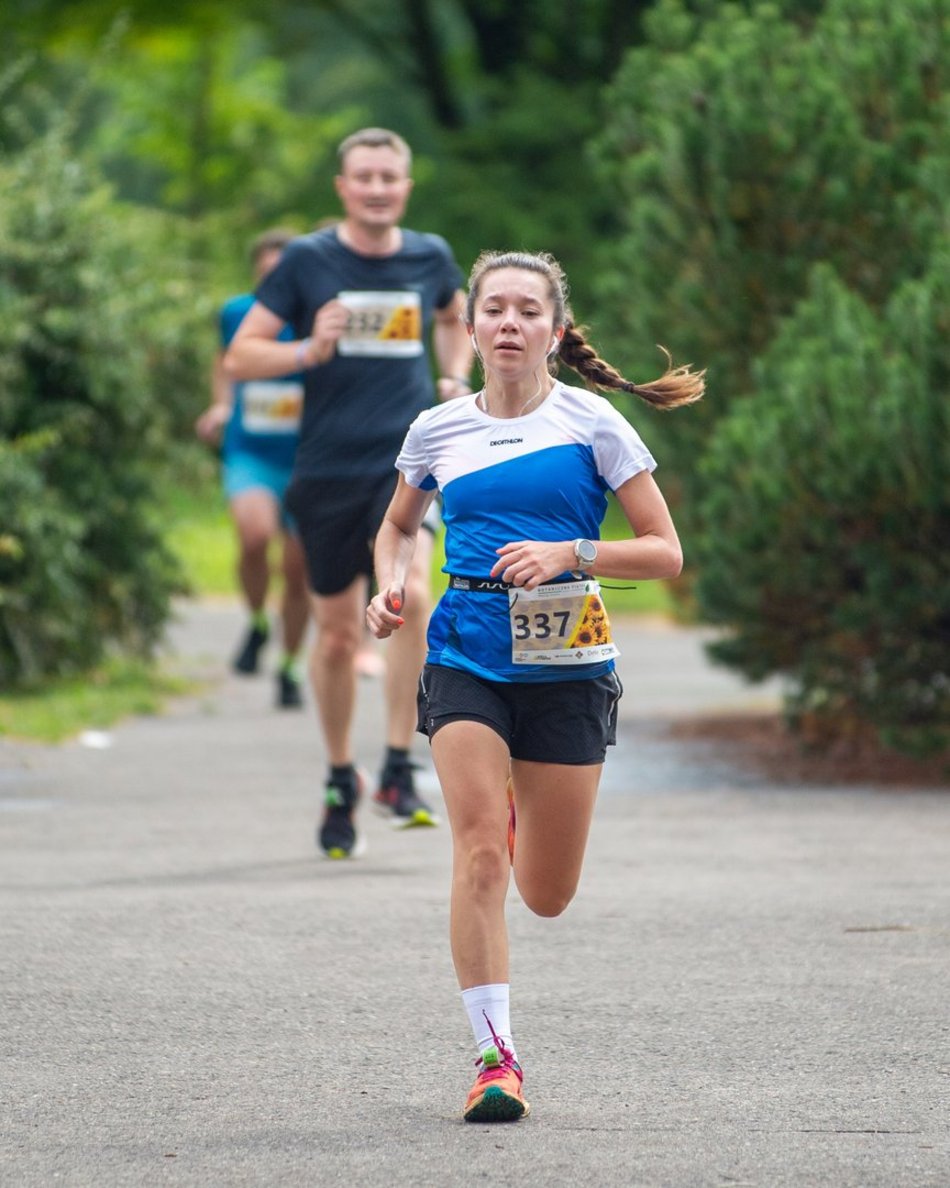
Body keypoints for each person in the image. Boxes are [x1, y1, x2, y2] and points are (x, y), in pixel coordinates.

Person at [366, 249, 704, 1121]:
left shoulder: (593, 423)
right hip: (465, 654)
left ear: (555, 331)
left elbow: (666, 553)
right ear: (472, 327)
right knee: (478, 850)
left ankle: (519, 797)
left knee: (545, 894)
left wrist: (573, 552)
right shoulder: (436, 428)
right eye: (495, 309)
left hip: (567, 666)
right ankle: (494, 1059)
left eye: (528, 310)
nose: (509, 323)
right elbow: (398, 526)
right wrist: (390, 582)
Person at [225, 128, 473, 855]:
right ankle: (342, 776)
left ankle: (399, 764)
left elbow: (454, 317)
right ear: (342, 186)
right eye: (362, 177)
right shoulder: (307, 260)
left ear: (406, 185)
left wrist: (453, 376)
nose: (375, 188)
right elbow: (242, 355)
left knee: (412, 596)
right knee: (336, 637)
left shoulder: (429, 255)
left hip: (409, 462)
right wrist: (308, 347)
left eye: (388, 177)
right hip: (327, 466)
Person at [195, 229, 310, 709]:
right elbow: (224, 363)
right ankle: (259, 620)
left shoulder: (319, 316)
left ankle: (287, 666)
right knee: (254, 535)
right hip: (251, 452)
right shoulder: (237, 313)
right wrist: (221, 405)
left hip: (308, 458)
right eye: (267, 274)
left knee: (299, 569)